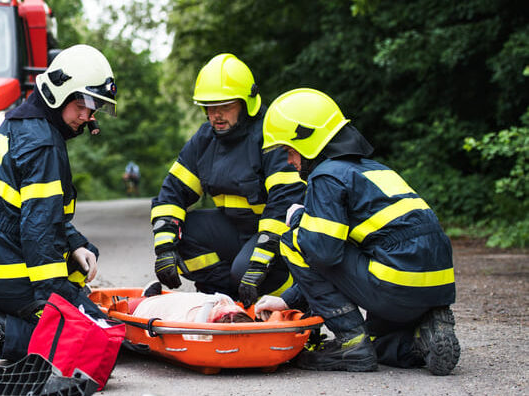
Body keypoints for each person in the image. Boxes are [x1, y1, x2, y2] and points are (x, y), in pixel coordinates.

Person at [255, 88, 459, 375]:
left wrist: (300, 219)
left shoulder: (326, 176)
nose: (289, 161)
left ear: (308, 141)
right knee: (379, 342)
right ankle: (422, 335)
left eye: (289, 151)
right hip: (435, 283)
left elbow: (321, 254)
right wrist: (286, 299)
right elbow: (336, 258)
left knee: (294, 238)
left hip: (395, 280)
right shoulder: (373, 170)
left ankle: (352, 344)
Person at [0, 44, 118, 361]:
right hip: (2, 264)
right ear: (59, 93)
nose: (88, 116)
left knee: (83, 258)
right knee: (94, 346)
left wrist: (76, 244)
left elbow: (40, 214)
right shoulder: (43, 143)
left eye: (95, 107)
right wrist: (53, 298)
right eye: (84, 103)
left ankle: (2, 309)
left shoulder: (26, 121)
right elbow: (38, 230)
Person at [150, 53, 306, 306]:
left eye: (225, 106)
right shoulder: (205, 140)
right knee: (182, 233)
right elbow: (172, 193)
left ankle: (296, 301)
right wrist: (165, 248)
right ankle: (226, 299)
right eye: (210, 107)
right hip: (235, 229)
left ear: (247, 104)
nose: (216, 115)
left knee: (246, 271)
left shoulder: (271, 134)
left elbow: (284, 203)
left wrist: (261, 259)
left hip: (277, 236)